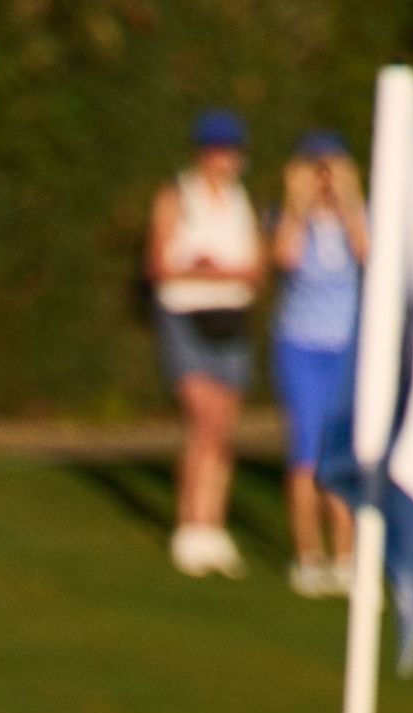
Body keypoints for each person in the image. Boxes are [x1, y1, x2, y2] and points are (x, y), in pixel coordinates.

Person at [146, 109, 262, 579]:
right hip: (184, 317)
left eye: (230, 151)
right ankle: (190, 526)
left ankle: (214, 527)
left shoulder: (240, 201)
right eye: (215, 151)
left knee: (225, 426)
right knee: (202, 417)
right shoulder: (176, 196)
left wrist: (223, 272)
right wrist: (207, 270)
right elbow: (160, 264)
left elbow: (254, 269)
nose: (223, 160)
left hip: (230, 319)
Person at [267, 130, 366, 597]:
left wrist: (348, 201)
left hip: (347, 346)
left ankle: (346, 556)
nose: (324, 178)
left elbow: (370, 254)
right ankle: (308, 555)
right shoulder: (289, 219)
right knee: (306, 453)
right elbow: (284, 256)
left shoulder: (362, 217)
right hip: (301, 345)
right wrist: (299, 203)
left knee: (342, 450)